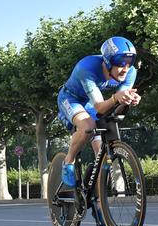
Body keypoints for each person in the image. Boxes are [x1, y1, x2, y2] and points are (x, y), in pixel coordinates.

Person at [57, 36, 141, 188]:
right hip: (71, 98)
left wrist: (128, 100)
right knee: (88, 127)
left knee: (100, 150)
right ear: (108, 61)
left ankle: (98, 196)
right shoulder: (87, 68)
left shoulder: (130, 73)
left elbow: (115, 108)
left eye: (129, 63)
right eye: (121, 63)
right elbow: (100, 107)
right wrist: (116, 97)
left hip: (91, 102)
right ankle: (68, 161)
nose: (125, 69)